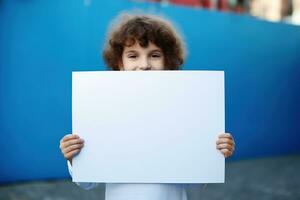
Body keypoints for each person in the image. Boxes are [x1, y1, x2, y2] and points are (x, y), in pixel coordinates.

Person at [59, 13, 235, 200]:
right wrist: (74, 157)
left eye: (155, 55)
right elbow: (88, 182)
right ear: (120, 63)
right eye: (133, 55)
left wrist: (215, 152)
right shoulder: (105, 112)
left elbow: (196, 180)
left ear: (168, 62)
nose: (144, 65)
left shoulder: (183, 111)